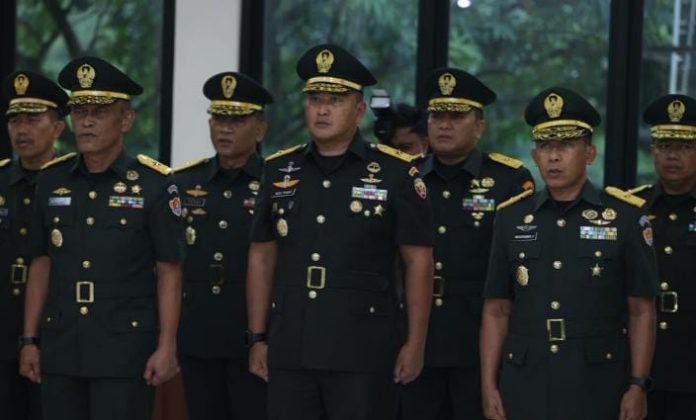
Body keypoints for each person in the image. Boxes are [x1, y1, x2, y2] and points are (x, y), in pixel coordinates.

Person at [246, 43, 434, 420]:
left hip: (363, 346)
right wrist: (257, 337)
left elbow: (418, 261)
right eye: (315, 99)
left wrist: (415, 343)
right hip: (291, 342)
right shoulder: (280, 169)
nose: (323, 109)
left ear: (360, 110)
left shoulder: (397, 172)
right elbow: (262, 254)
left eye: (335, 100)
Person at [18, 56, 185, 420]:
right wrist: (30, 340)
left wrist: (167, 346)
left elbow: (169, 270)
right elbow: (41, 261)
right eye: (79, 112)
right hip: (62, 344)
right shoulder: (51, 180)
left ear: (125, 119)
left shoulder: (155, 183)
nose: (87, 121)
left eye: (99, 112)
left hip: (124, 348)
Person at [480, 87, 658, 420]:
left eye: (566, 145)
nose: (554, 156)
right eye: (545, 146)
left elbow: (641, 310)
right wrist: (489, 386)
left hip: (597, 380)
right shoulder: (510, 217)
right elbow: (496, 310)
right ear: (534, 155)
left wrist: (637, 385)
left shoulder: (625, 217)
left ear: (589, 153)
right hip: (525, 377)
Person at [400, 68, 533, 420]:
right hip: (412, 334)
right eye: (437, 116)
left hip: (478, 336)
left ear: (480, 126)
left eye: (457, 116)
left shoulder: (508, 180)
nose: (444, 125)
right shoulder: (403, 175)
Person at [174, 71, 273, 420]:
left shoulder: (277, 182)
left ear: (259, 129)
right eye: (218, 119)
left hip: (256, 334)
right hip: (197, 331)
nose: (225, 128)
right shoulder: (183, 182)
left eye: (237, 120)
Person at [0, 70, 67, 420]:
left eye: (33, 119)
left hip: (56, 334)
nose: (21, 130)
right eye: (15, 120)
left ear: (57, 128)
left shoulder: (72, 184)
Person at [633, 94, 696, 420]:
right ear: (653, 150)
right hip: (642, 363)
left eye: (684, 147)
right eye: (664, 145)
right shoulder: (630, 208)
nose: (673, 155)